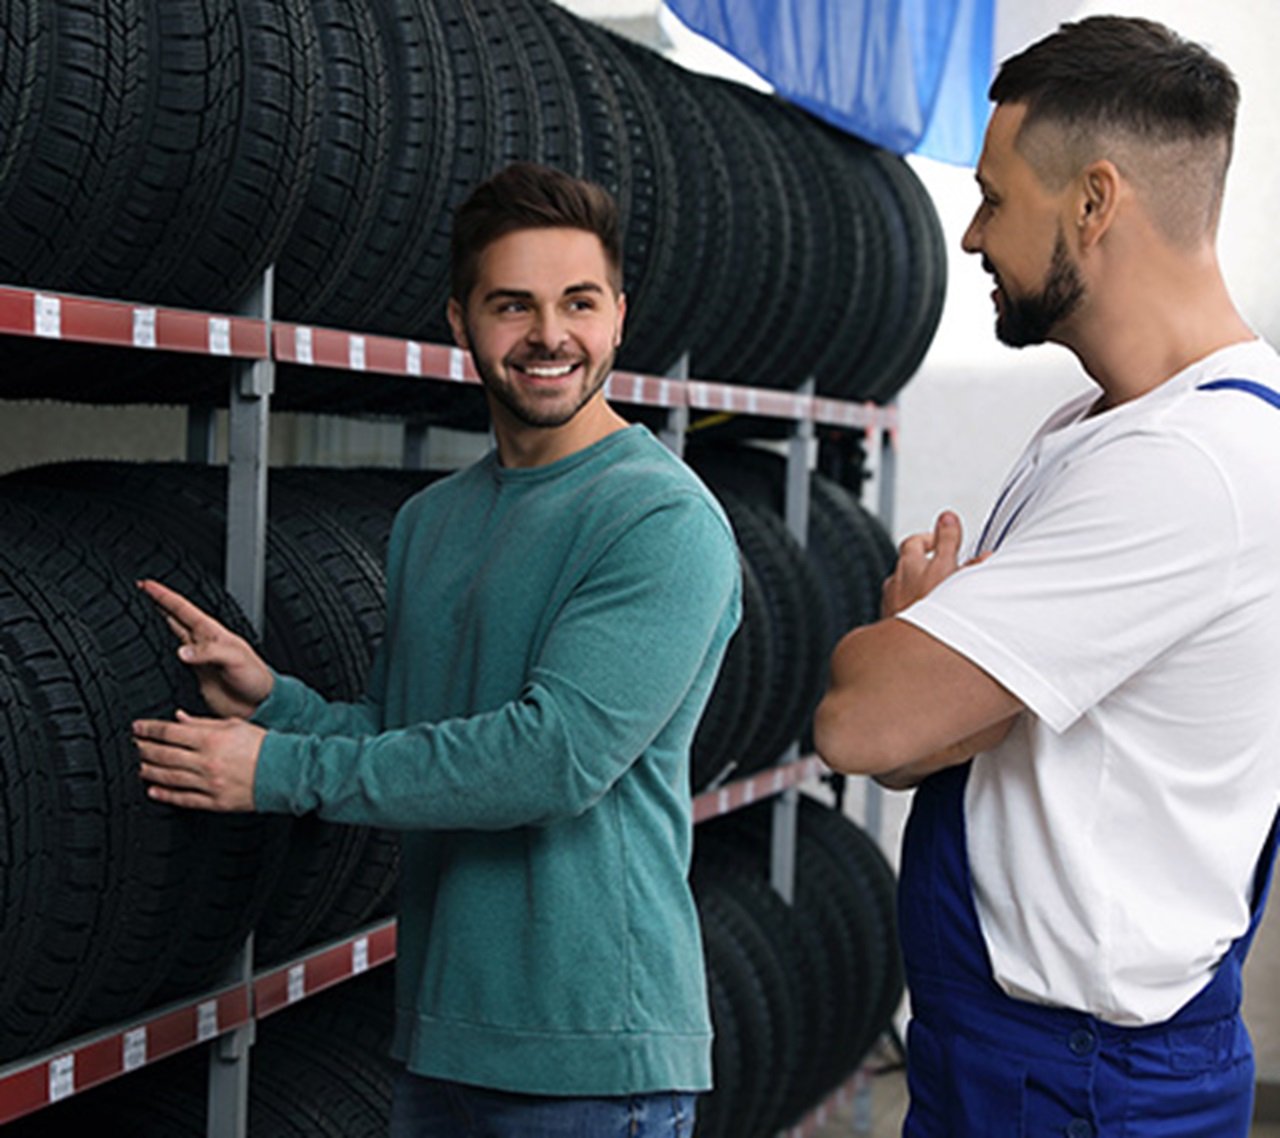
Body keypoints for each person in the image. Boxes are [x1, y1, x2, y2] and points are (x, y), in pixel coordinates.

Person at [133, 161, 741, 1137]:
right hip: (440, 1036)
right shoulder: (430, 521)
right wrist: (275, 704)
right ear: (459, 321)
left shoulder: (659, 518)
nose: (548, 335)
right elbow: (414, 738)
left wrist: (279, 769)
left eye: (577, 302)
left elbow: (548, 760)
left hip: (589, 1059)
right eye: (513, 305)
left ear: (618, 317)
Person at [814, 16, 1280, 1137]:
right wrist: (948, 691)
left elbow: (860, 724)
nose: (970, 235)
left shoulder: (1187, 469)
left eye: (990, 196)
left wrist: (917, 637)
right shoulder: (1101, 428)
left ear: (1092, 200)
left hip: (1076, 1083)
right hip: (1019, 1052)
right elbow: (918, 744)